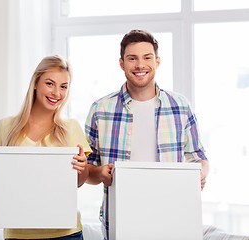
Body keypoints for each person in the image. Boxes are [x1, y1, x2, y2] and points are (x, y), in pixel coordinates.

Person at [85, 29, 210, 239]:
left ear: (157, 61)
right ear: (122, 63)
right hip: (120, 220)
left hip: (172, 217)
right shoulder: (100, 109)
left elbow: (200, 158)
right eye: (132, 58)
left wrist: (200, 174)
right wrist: (99, 174)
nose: (140, 65)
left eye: (147, 57)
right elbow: (86, 169)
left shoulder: (180, 105)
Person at [0, 55, 92, 240]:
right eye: (50, 84)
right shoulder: (7, 126)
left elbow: (78, 182)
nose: (57, 93)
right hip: (19, 233)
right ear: (35, 83)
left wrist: (82, 169)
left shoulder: (71, 127)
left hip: (65, 234)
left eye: (63, 86)